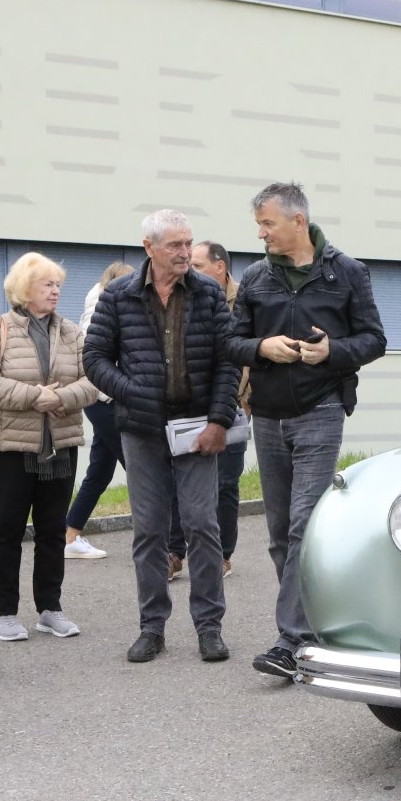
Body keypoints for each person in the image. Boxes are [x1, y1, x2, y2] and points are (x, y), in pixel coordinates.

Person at [226, 183, 386, 679]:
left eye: (267, 223)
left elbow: (374, 339)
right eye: (259, 224)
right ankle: (312, 625)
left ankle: (290, 640)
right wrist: (261, 348)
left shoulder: (347, 271)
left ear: (298, 221)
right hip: (267, 415)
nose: (261, 233)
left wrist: (331, 352)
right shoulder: (256, 276)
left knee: (302, 526)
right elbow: (230, 341)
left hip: (322, 408)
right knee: (279, 534)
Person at [83, 209, 239, 664]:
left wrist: (219, 421)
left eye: (188, 243)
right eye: (175, 245)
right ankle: (152, 627)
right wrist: (133, 392)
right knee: (149, 530)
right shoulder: (118, 296)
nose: (185, 252)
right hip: (142, 429)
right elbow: (94, 358)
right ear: (149, 248)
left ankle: (209, 627)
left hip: (197, 428)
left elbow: (228, 361)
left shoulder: (208, 293)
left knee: (202, 526)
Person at [0, 252, 98, 642]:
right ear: (25, 288)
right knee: (8, 530)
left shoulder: (72, 332)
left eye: (58, 284)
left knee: (52, 531)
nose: (56, 291)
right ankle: (4, 612)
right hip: (10, 447)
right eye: (47, 284)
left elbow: (93, 380)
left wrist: (59, 398)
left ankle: (50, 609)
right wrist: (34, 396)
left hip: (61, 444)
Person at [166, 240, 249, 579]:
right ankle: (174, 552)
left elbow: (248, 353)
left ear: (220, 267)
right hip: (190, 407)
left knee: (225, 484)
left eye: (198, 265)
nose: (190, 270)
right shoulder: (184, 295)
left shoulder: (246, 301)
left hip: (232, 405)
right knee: (179, 480)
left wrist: (244, 398)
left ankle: (223, 554)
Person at [65, 260, 135, 560]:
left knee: (100, 471)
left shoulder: (97, 306)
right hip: (107, 400)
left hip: (101, 400)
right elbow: (101, 359)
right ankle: (163, 539)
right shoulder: (106, 310)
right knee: (142, 469)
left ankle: (70, 535)